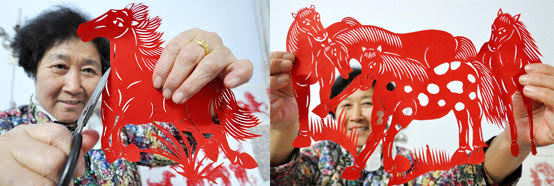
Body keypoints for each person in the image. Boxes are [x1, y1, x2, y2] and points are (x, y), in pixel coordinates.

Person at [0, 6, 253, 185]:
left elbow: (178, 142)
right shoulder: (5, 129)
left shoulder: (120, 127)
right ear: (33, 70)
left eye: (89, 70)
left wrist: (205, 94)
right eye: (59, 67)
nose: (74, 86)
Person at [270, 51, 554, 185]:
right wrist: (284, 126)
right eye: (346, 106)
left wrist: (516, 139)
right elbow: (282, 177)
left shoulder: (409, 167)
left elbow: (461, 180)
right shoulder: (318, 161)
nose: (356, 116)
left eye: (367, 102)